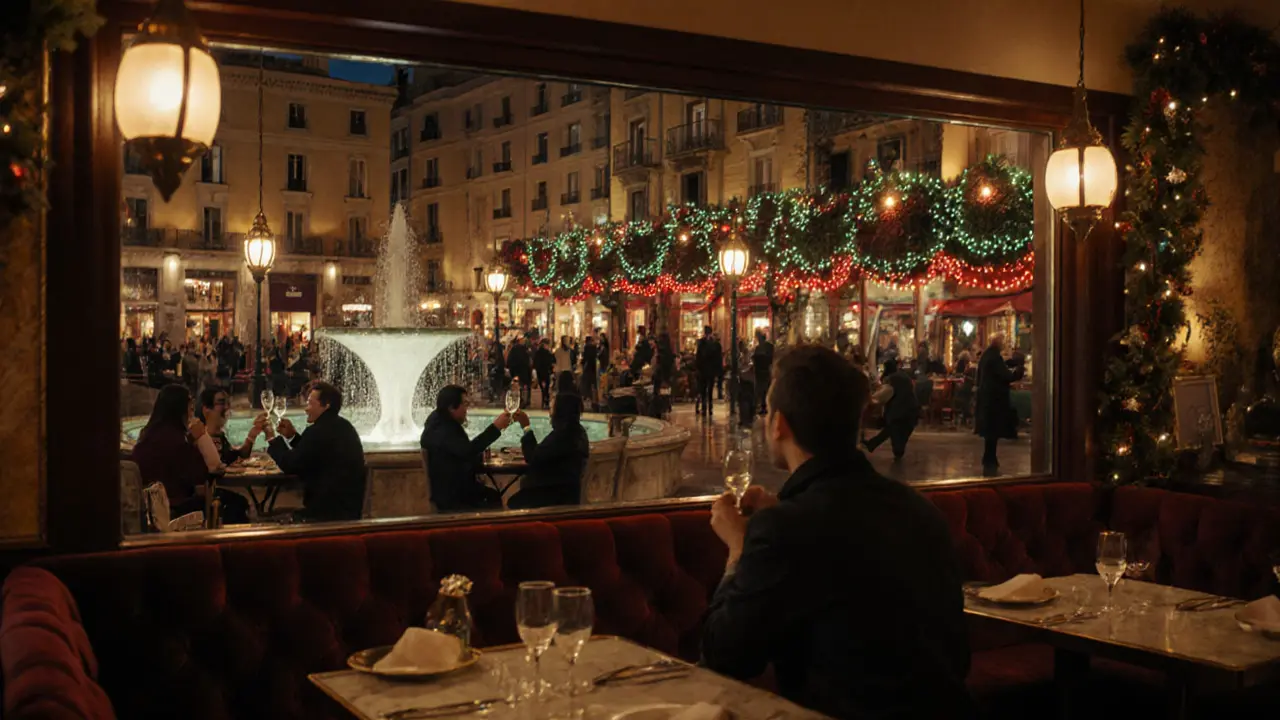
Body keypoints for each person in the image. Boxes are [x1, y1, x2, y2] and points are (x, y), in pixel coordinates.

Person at [701, 346, 973, 719]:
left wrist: (738, 549)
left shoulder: (784, 530)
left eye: (766, 410)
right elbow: (956, 652)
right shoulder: (920, 510)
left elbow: (724, 656)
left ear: (779, 424)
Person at [261, 381, 367, 522]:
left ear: (326, 405)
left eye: (310, 403)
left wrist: (271, 439)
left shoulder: (317, 431)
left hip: (324, 514)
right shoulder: (343, 426)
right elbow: (312, 453)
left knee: (267, 522)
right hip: (347, 509)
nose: (306, 409)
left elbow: (291, 464)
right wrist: (292, 436)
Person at [130, 384, 219, 520]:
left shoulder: (146, 435)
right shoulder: (176, 440)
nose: (191, 413)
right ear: (180, 410)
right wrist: (195, 440)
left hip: (148, 507)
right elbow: (199, 474)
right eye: (190, 408)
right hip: (175, 508)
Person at [420, 385, 513, 512]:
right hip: (454, 497)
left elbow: (460, 452)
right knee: (492, 497)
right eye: (464, 404)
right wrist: (496, 428)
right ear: (452, 407)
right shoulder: (443, 429)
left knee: (492, 494)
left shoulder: (439, 423)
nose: (467, 409)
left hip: (451, 490)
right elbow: (468, 451)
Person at [507, 394, 590, 509]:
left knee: (513, 503)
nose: (549, 414)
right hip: (569, 493)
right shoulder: (578, 433)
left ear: (560, 411)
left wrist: (526, 427)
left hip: (551, 496)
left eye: (552, 409)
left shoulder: (563, 435)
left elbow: (533, 456)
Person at [975, 333, 1025, 474]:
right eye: (1003, 342)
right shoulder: (994, 357)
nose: (1004, 345)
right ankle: (990, 459)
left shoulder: (988, 355)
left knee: (990, 434)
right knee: (992, 432)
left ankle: (989, 458)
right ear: (998, 343)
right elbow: (1006, 376)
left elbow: (1000, 367)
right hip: (993, 401)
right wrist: (1018, 372)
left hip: (988, 399)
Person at [863, 358, 919, 459]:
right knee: (895, 432)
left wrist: (871, 398)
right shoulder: (904, 376)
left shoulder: (892, 380)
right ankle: (873, 445)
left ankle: (876, 445)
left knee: (894, 433)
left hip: (899, 413)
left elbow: (883, 395)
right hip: (912, 411)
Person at [694, 326, 721, 417]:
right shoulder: (715, 344)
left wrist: (697, 368)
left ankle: (705, 407)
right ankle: (709, 407)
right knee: (709, 389)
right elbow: (718, 359)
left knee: (703, 389)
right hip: (711, 370)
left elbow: (698, 357)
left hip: (703, 370)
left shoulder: (701, 343)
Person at [506, 334, 533, 408]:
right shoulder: (524, 350)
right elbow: (528, 361)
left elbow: (510, 360)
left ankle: (520, 400)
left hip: (517, 370)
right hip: (522, 371)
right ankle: (523, 400)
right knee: (523, 386)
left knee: (519, 386)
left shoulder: (516, 349)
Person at [752, 330, 774, 415]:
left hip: (763, 371)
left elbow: (770, 358)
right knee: (762, 389)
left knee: (763, 389)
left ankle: (763, 406)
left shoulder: (767, 347)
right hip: (762, 371)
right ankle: (762, 406)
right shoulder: (761, 347)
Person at [534, 339, 556, 409]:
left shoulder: (537, 352)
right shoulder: (547, 353)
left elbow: (535, 362)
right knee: (547, 385)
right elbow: (551, 361)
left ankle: (544, 397)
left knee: (542, 385)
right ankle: (546, 398)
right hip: (546, 371)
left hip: (540, 371)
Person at [580, 335, 599, 404]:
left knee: (586, 382)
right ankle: (594, 397)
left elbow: (585, 358)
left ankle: (587, 395)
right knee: (593, 382)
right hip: (593, 366)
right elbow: (596, 356)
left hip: (588, 367)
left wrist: (583, 363)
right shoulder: (594, 347)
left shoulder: (586, 347)